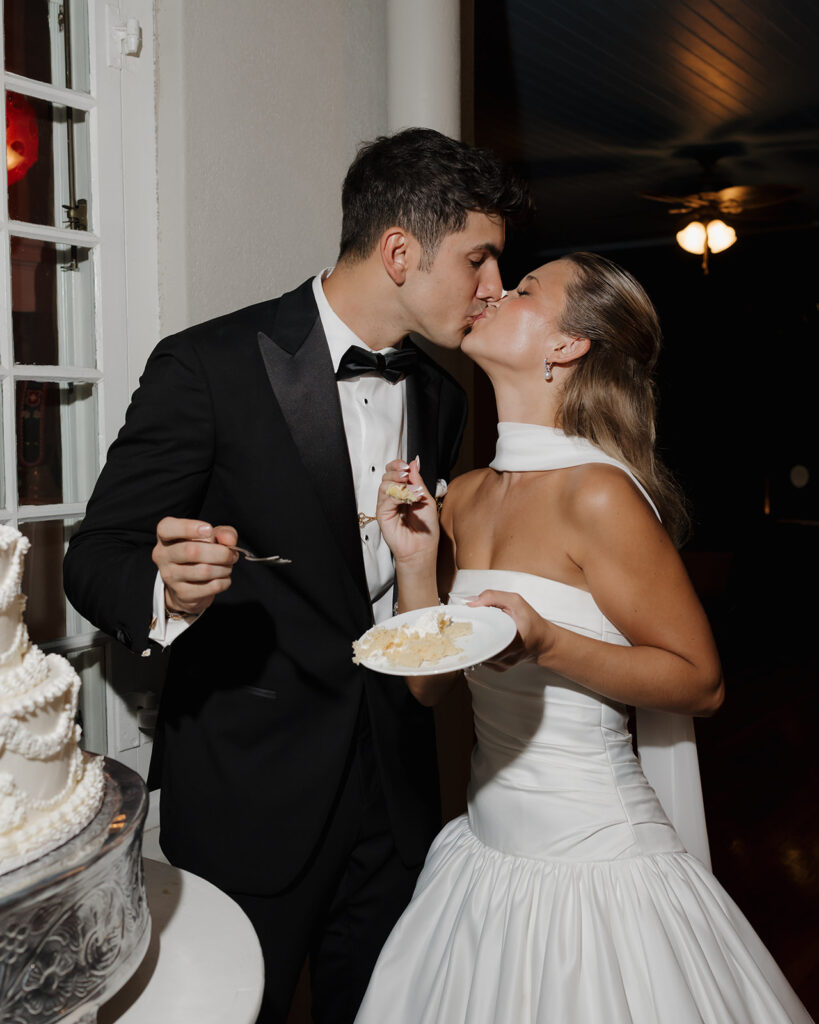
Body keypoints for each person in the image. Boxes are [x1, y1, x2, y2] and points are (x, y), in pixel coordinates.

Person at [62, 127, 530, 1023]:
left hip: (395, 788)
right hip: (250, 794)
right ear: (400, 252)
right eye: (478, 259)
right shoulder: (208, 365)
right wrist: (166, 590)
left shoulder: (442, 396)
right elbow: (95, 553)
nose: (493, 287)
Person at [354, 252, 813, 1023]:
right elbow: (426, 686)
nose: (493, 291)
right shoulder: (463, 496)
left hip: (595, 866)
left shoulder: (597, 494)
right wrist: (414, 561)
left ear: (566, 345)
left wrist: (547, 642)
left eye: (522, 289)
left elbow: (701, 683)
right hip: (485, 857)